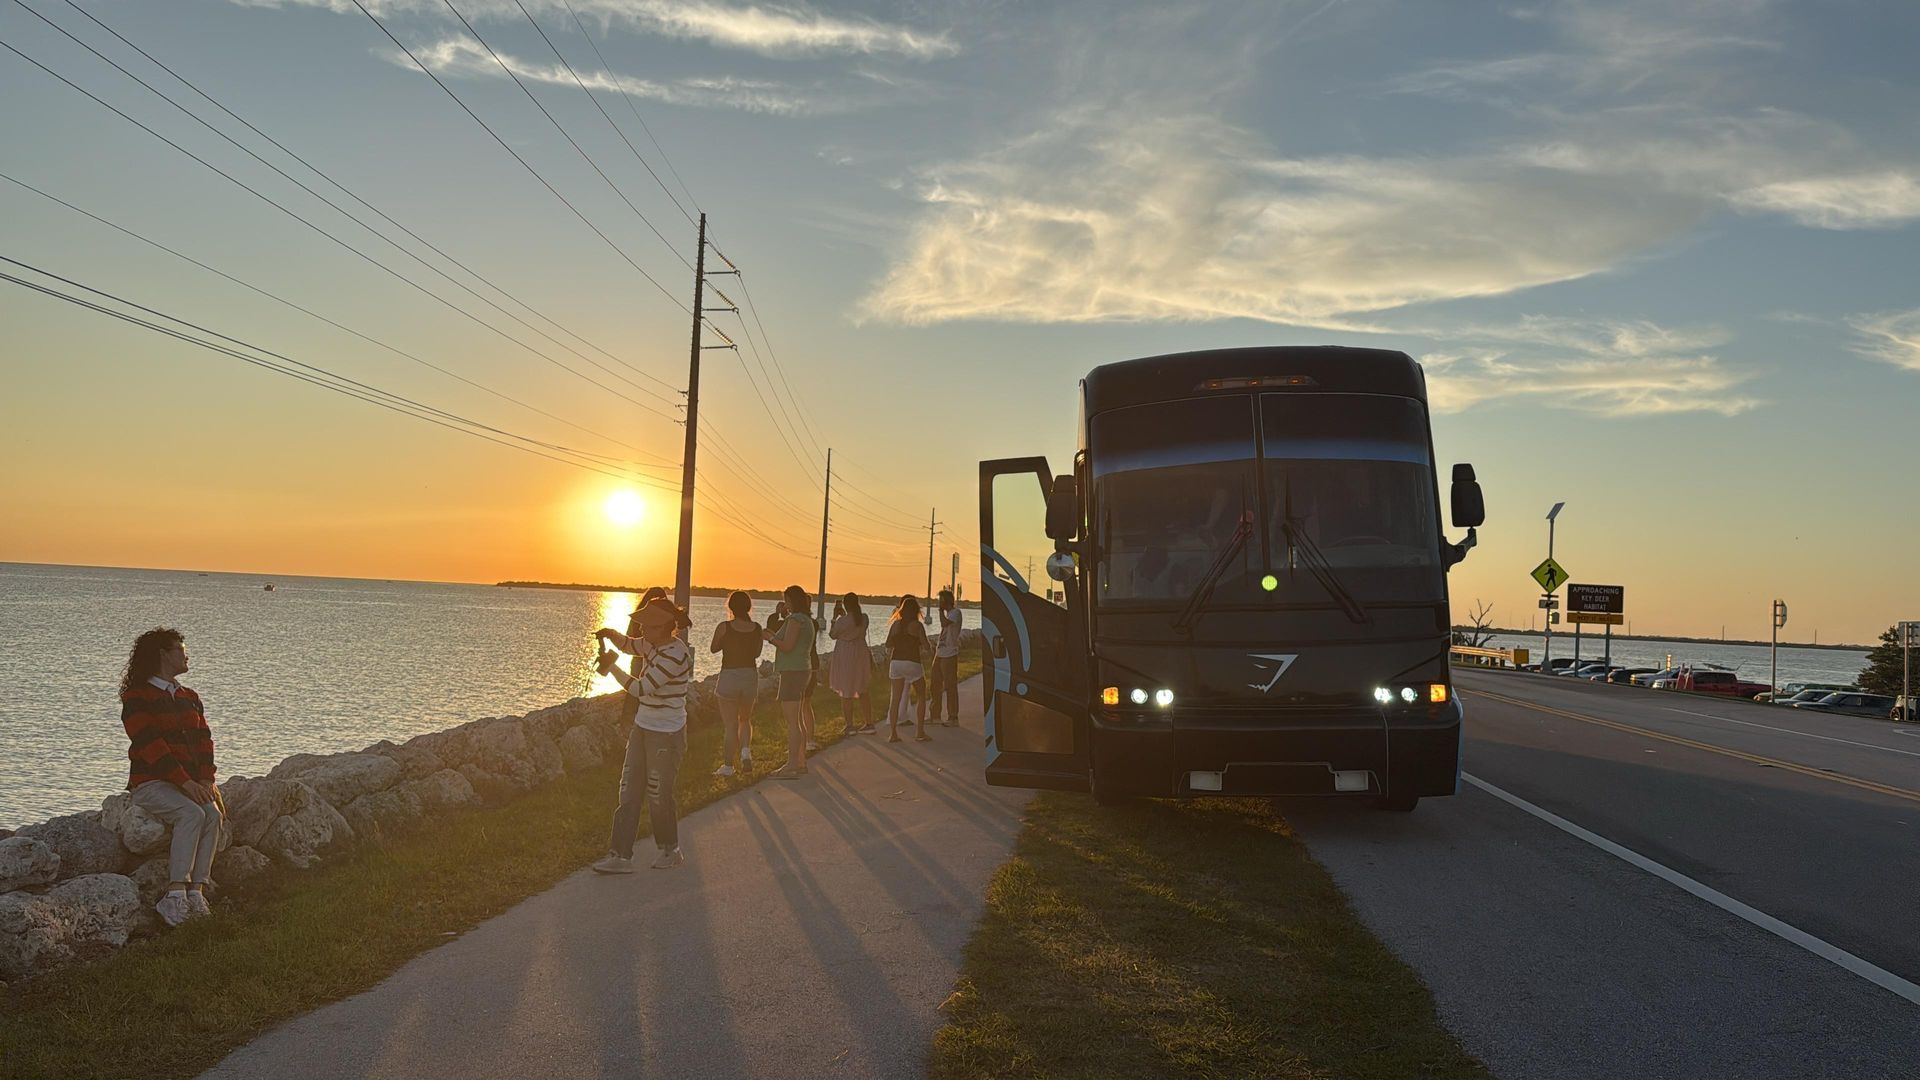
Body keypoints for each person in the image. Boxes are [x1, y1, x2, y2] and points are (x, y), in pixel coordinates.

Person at [119, 628, 221, 927]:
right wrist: (185, 782)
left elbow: (205, 741)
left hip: (188, 783)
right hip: (151, 783)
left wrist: (205, 780)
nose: (186, 654)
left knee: (212, 816)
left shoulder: (189, 697)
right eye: (180, 648)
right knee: (191, 814)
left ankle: (196, 893)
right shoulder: (137, 696)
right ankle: (174, 896)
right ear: (164, 654)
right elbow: (150, 745)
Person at [591, 597, 693, 872]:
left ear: (663, 627)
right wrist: (610, 635)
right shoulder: (652, 644)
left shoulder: (675, 653)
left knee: (658, 793)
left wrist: (610, 667)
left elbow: (641, 689)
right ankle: (620, 856)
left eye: (647, 626)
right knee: (628, 789)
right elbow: (630, 645)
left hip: (667, 733)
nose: (642, 630)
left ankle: (670, 849)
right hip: (643, 726)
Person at [763, 585, 815, 778]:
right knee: (798, 719)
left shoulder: (795, 620)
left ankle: (792, 765)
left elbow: (787, 645)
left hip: (793, 671)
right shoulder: (807, 620)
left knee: (792, 721)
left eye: (786, 600)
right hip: (802, 668)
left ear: (792, 601)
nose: (785, 604)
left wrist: (769, 638)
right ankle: (800, 762)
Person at [709, 591, 762, 776]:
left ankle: (728, 766)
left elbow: (713, 648)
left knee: (730, 725)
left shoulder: (724, 627)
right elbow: (756, 653)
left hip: (729, 676)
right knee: (745, 719)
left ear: (730, 607)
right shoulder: (757, 628)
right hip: (750, 676)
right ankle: (746, 752)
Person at [885, 595, 934, 743]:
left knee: (895, 699)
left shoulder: (896, 625)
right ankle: (919, 732)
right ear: (916, 611)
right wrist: (927, 647)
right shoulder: (917, 626)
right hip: (912, 662)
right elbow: (926, 645)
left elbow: (888, 644)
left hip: (896, 662)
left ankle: (893, 734)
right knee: (921, 695)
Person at [830, 593, 875, 732]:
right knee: (862, 688)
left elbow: (833, 634)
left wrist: (834, 618)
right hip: (860, 653)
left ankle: (850, 725)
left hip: (846, 654)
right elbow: (854, 623)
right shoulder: (864, 618)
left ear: (844, 604)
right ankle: (869, 723)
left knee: (846, 689)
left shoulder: (842, 621)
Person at [929, 589, 964, 726]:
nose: (939, 603)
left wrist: (939, 612)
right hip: (940, 653)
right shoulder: (949, 613)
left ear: (947, 600)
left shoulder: (955, 613)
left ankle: (953, 717)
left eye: (941, 600)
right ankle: (935, 715)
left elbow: (944, 623)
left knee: (950, 685)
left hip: (950, 654)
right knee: (935, 684)